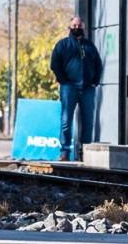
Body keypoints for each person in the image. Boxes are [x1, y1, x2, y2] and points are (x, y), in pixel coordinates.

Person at [49, 16, 104, 162]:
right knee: (66, 120)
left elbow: (99, 64)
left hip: (87, 89)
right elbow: (54, 63)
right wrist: (64, 81)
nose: (76, 28)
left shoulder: (90, 46)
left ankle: (84, 152)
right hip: (69, 88)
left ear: (84, 28)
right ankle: (65, 152)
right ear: (69, 27)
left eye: (79, 25)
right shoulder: (63, 44)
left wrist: (95, 81)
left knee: (88, 121)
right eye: (74, 25)